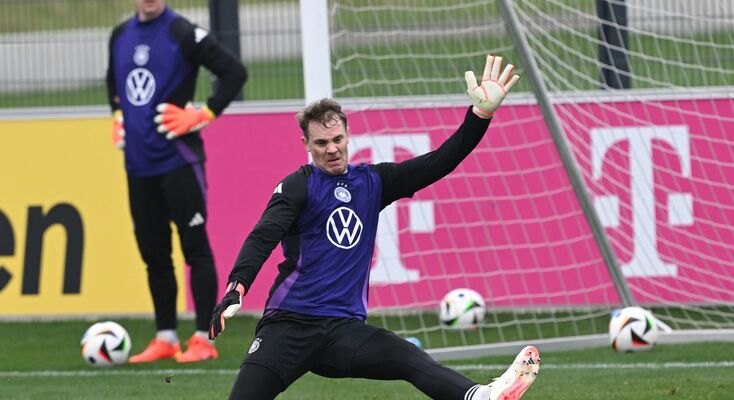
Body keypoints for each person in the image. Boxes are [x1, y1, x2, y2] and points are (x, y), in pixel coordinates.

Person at [210, 55, 539, 399]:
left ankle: (480, 396)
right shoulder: (297, 186)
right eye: (321, 143)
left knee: (411, 359)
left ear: (348, 134)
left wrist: (479, 116)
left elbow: (441, 160)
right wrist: (238, 286)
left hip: (343, 333)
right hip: (289, 326)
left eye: (337, 138)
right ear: (306, 145)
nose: (332, 149)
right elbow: (263, 235)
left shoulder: (374, 182)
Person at [106, 0, 247, 363]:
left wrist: (203, 113)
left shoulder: (183, 32)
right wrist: (118, 113)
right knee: (154, 254)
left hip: (179, 163)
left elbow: (234, 72)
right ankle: (165, 337)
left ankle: (203, 338)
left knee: (195, 249)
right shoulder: (120, 35)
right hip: (138, 166)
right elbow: (113, 82)